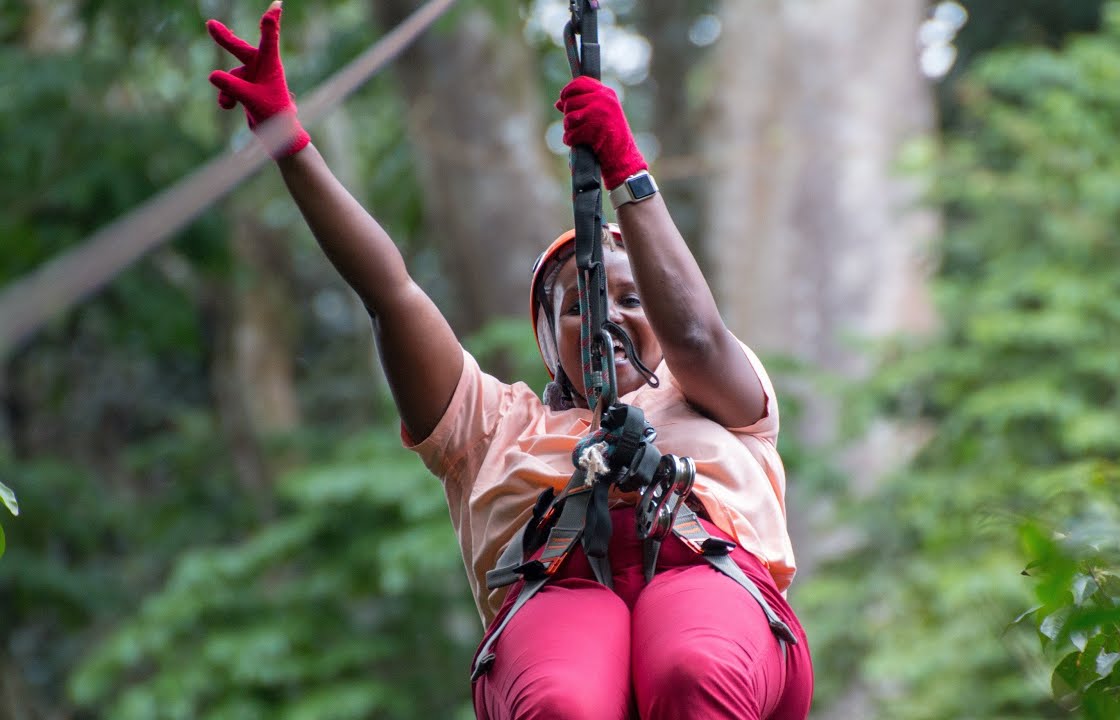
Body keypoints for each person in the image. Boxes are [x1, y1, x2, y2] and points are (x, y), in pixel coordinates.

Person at [206, 3, 814, 718]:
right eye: (582, 303)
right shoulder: (488, 426)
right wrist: (291, 146)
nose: (609, 315)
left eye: (632, 298)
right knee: (562, 701)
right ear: (545, 333)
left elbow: (697, 337)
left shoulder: (715, 392)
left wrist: (628, 171)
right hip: (554, 597)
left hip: (714, 589)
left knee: (691, 666)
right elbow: (391, 294)